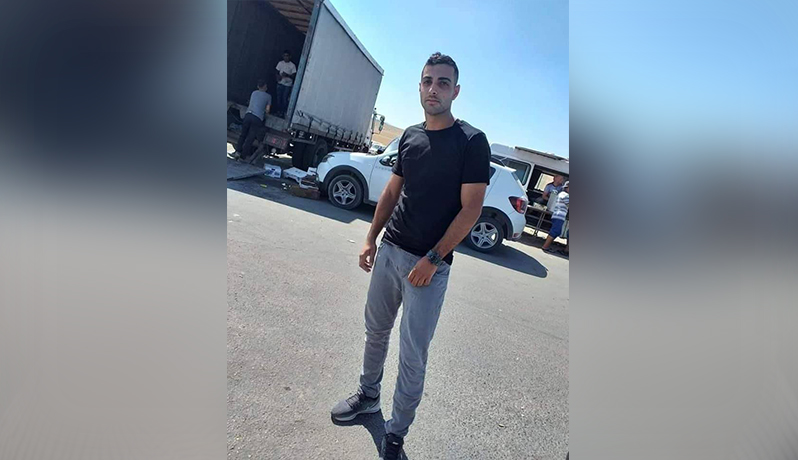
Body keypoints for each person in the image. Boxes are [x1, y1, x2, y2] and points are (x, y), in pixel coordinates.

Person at [330, 52, 491, 460]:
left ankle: (396, 434)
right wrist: (371, 237)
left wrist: (433, 259)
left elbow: (471, 209)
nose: (433, 89)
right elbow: (392, 191)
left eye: (442, 83)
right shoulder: (411, 137)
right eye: (427, 81)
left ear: (456, 91)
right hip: (391, 250)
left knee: (413, 355)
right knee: (375, 332)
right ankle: (368, 396)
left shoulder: (471, 142)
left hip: (428, 268)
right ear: (419, 87)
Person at [234, 79, 271, 161]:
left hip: (248, 115)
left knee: (243, 134)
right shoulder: (268, 96)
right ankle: (243, 156)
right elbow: (268, 110)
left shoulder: (254, 93)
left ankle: (237, 151)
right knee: (250, 138)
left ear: (258, 86)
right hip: (257, 118)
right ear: (265, 87)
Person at [542, 181, 569, 254]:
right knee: (555, 231)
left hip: (558, 215)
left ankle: (546, 246)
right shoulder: (565, 195)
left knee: (556, 231)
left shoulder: (562, 194)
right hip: (559, 215)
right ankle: (545, 246)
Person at [274, 50, 296, 117]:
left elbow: (294, 76)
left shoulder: (292, 65)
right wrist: (278, 77)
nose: (285, 57)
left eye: (287, 56)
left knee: (285, 99)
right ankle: (278, 111)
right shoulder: (280, 63)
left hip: (287, 85)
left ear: (290, 56)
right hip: (280, 83)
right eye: (284, 56)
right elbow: (276, 71)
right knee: (278, 98)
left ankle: (283, 113)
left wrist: (287, 75)